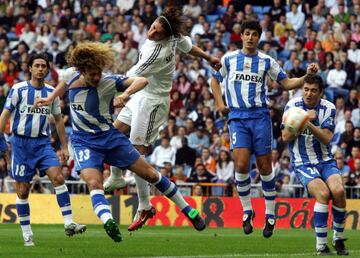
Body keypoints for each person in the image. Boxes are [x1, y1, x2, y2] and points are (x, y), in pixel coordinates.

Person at [34, 42, 206, 242]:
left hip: (110, 138)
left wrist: (125, 95)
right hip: (84, 142)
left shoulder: (108, 81)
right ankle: (108, 221)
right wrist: (51, 98)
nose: (96, 77)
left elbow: (141, 80)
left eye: (98, 73)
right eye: (92, 74)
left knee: (150, 173)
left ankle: (188, 210)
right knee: (93, 182)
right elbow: (63, 83)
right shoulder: (71, 75)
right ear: (82, 71)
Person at [103, 7, 221, 231]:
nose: (153, 32)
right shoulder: (175, 37)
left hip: (152, 102)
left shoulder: (156, 54)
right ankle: (117, 177)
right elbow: (189, 47)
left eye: (158, 32)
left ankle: (145, 205)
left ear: (166, 36)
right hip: (141, 95)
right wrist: (208, 57)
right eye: (154, 26)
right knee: (113, 134)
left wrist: (115, 92)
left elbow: (131, 78)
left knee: (136, 153)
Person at [210, 20, 319, 238]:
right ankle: (247, 211)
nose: (250, 37)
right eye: (247, 34)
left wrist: (306, 77)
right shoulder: (229, 59)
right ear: (241, 36)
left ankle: (270, 215)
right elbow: (214, 81)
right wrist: (220, 105)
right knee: (241, 164)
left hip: (260, 117)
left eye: (254, 34)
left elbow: (286, 83)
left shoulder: (267, 61)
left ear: (259, 38)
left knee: (265, 167)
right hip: (237, 117)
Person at [0, 53, 86, 247]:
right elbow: (5, 115)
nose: (40, 69)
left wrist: (64, 147)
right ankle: (27, 234)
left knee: (58, 177)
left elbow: (58, 120)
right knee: (22, 191)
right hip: (21, 145)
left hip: (43, 144)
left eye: (43, 66)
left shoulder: (51, 92)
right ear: (29, 68)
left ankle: (68, 222)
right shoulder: (18, 89)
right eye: (36, 65)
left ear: (47, 69)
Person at [282, 74, 348, 256]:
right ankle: (321, 246)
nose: (308, 94)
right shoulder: (292, 106)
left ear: (321, 93)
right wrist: (304, 118)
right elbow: (285, 137)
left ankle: (338, 239)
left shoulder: (329, 108)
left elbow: (327, 138)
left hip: (325, 160)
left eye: (313, 90)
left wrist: (306, 122)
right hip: (302, 162)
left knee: (339, 191)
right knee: (323, 193)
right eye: (306, 89)